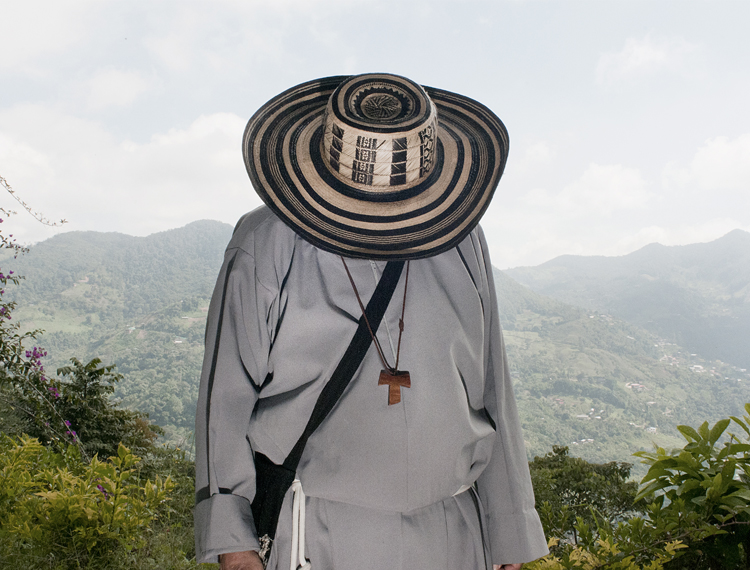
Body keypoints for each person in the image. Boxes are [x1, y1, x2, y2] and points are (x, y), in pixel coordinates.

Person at [194, 73, 548, 570]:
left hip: (454, 531)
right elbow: (224, 397)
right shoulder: (267, 241)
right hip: (318, 532)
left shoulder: (462, 239)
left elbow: (493, 388)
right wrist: (235, 543)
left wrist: (510, 534)